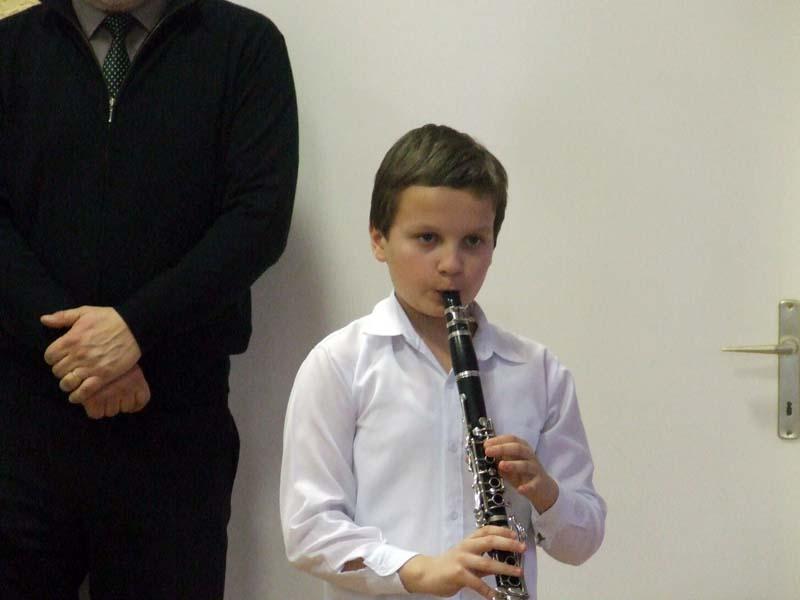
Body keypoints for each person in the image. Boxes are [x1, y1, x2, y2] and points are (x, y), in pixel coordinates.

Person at [0, 0, 298, 596]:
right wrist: (77, 351)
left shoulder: (245, 45)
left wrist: (135, 328)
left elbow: (258, 219)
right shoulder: (10, 49)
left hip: (174, 425)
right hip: (22, 423)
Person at [280, 124, 605, 600]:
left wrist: (546, 492)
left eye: (473, 241)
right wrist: (418, 571)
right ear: (378, 240)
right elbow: (309, 530)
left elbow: (584, 540)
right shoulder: (338, 365)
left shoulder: (538, 373)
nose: (452, 264)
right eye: (427, 238)